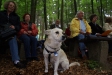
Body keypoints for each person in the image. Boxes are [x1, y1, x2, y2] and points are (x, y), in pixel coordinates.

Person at [0, 1, 25, 68]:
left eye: (13, 6)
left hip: (10, 34)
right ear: (7, 5)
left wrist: (15, 27)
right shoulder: (1, 13)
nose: (12, 7)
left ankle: (16, 61)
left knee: (13, 38)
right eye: (10, 5)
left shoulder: (16, 17)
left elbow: (19, 27)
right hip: (1, 33)